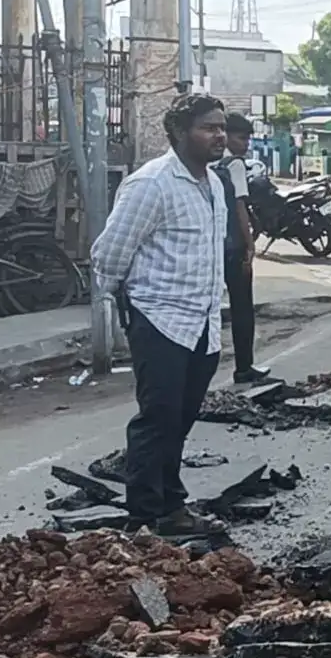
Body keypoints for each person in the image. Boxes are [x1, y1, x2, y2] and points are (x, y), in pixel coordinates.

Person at [90, 93, 232, 537]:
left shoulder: (215, 184)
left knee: (182, 419)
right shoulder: (150, 184)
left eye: (221, 127)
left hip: (203, 324)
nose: (219, 135)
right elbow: (108, 255)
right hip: (160, 320)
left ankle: (172, 507)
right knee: (158, 417)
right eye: (208, 127)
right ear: (178, 133)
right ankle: (144, 518)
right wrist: (123, 310)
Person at [215, 113, 274, 385]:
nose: (246, 144)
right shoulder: (234, 165)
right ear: (226, 136)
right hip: (234, 245)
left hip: (212, 244)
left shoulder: (208, 163)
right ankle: (244, 367)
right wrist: (250, 244)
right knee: (242, 309)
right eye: (242, 137)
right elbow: (240, 206)